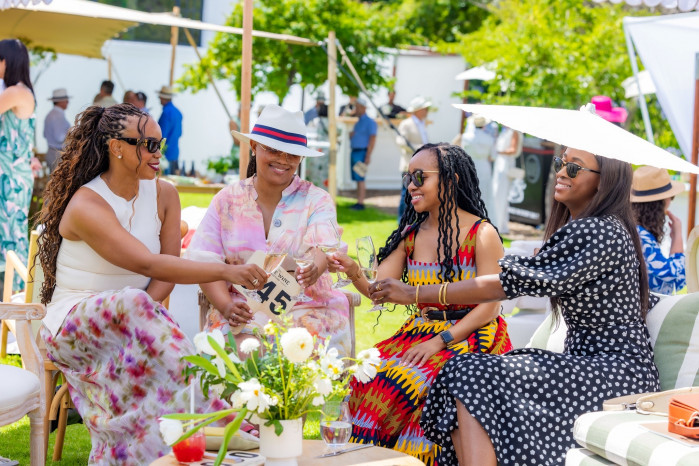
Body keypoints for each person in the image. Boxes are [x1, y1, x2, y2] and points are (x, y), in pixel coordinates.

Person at [369, 149, 660, 466]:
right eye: (560, 163)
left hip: (614, 374)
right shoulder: (594, 228)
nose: (561, 172)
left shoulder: (597, 230)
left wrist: (416, 293)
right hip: (591, 366)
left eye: (574, 168)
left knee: (467, 373)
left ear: (605, 181)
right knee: (463, 375)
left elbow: (503, 285)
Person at [36, 103, 267, 464]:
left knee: (138, 310)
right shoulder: (86, 204)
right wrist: (224, 271)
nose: (159, 153)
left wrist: (145, 317)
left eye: (161, 144)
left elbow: (165, 273)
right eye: (149, 145)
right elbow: (147, 262)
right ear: (117, 147)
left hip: (132, 315)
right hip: (72, 324)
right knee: (134, 302)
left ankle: (154, 449)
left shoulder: (165, 195)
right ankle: (214, 414)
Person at [331, 143, 512, 465]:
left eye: (420, 177)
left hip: (473, 333)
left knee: (415, 382)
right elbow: (378, 290)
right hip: (420, 330)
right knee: (365, 377)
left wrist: (439, 342)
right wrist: (353, 270)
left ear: (451, 180)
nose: (411, 185)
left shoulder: (481, 233)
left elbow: (491, 306)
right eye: (407, 178)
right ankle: (375, 459)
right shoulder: (411, 235)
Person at [186, 104, 353, 357]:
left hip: (307, 310)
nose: (283, 160)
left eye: (292, 154)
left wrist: (315, 269)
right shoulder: (227, 200)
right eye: (273, 150)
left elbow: (325, 247)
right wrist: (227, 306)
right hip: (240, 310)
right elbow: (204, 262)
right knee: (242, 352)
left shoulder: (317, 200)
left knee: (296, 354)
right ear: (254, 147)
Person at [0, 39, 40, 289]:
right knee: (10, 231)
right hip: (14, 171)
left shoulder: (15, 92)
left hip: (12, 175)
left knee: (11, 233)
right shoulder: (19, 90)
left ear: (6, 61)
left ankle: (17, 292)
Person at [631, 166, 685, 294]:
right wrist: (677, 236)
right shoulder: (641, 236)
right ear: (659, 203)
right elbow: (674, 277)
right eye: (671, 197)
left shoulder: (635, 230)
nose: (671, 202)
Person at [396, 96, 431, 221]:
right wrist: (419, 147)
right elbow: (401, 141)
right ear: (418, 110)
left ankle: (412, 220)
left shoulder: (422, 124)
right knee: (406, 194)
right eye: (425, 108)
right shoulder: (406, 124)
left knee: (416, 194)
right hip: (409, 165)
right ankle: (402, 221)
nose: (427, 111)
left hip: (420, 166)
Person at [456, 114, 495, 215]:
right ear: (484, 125)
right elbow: (493, 157)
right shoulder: (489, 138)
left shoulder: (466, 137)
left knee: (469, 191)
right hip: (484, 166)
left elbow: (462, 152)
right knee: (484, 194)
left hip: (469, 165)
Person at [491, 125, 522, 234]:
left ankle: (498, 225)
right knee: (497, 195)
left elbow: (513, 149)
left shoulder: (514, 132)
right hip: (500, 164)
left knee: (501, 196)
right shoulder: (504, 132)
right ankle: (500, 224)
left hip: (505, 165)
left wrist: (498, 152)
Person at [348, 98, 377, 210]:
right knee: (357, 178)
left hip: (362, 152)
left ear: (364, 108)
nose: (356, 109)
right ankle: (358, 201)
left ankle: (361, 203)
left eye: (358, 107)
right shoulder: (358, 122)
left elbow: (372, 139)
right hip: (355, 152)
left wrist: (368, 155)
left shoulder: (370, 122)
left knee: (360, 177)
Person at [157, 85, 182, 175]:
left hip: (165, 154)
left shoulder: (166, 113)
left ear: (163, 98)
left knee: (163, 180)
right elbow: (180, 133)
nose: (159, 98)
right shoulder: (178, 112)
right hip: (174, 152)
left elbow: (161, 135)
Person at [43, 88, 71, 171]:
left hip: (52, 152)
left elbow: (44, 134)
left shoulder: (50, 114)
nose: (68, 102)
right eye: (66, 100)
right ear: (60, 101)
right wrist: (73, 134)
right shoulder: (58, 116)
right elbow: (59, 137)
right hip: (58, 154)